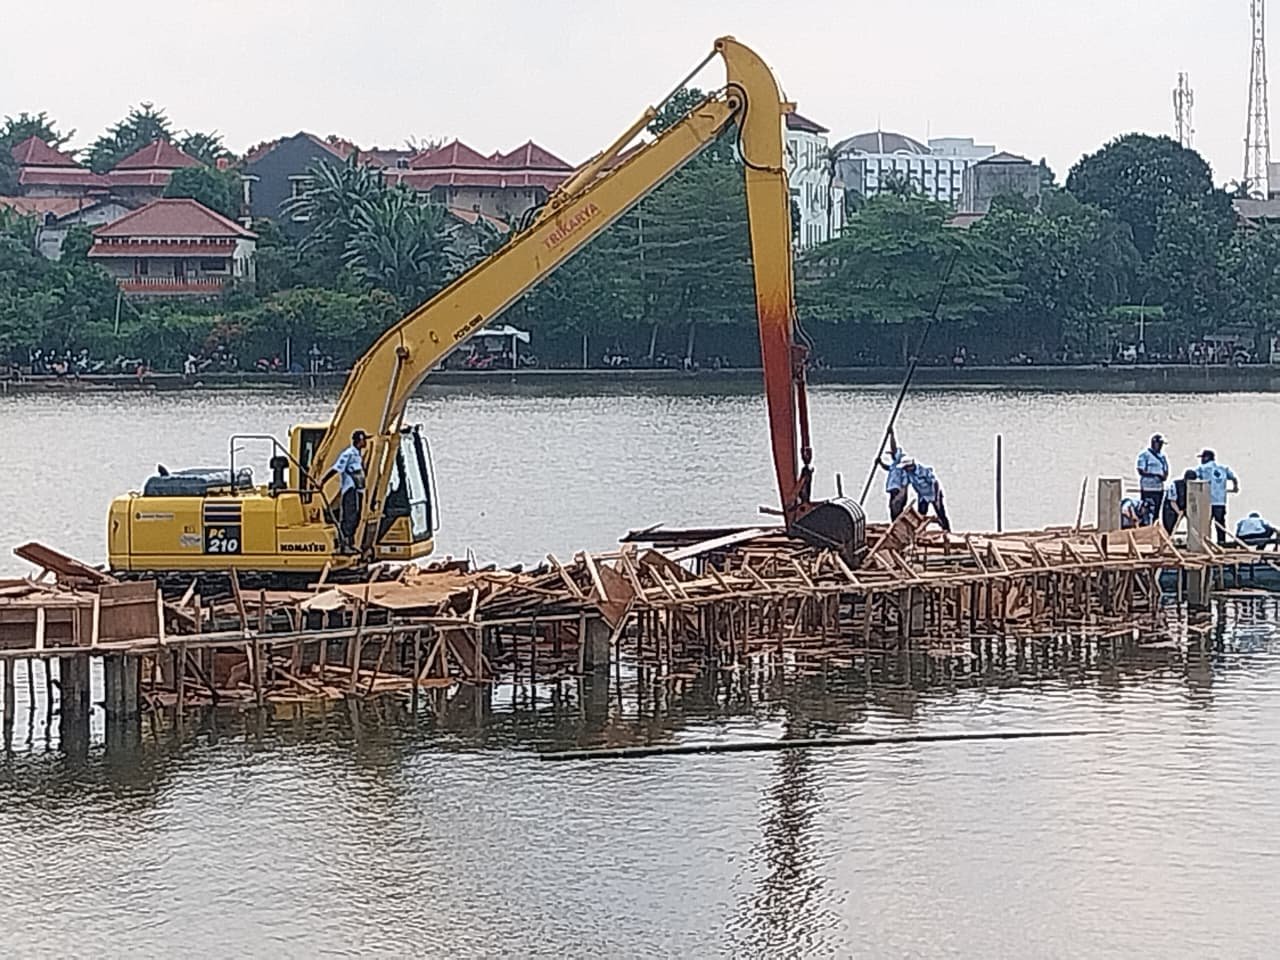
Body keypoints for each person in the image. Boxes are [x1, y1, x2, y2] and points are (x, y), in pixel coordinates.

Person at [321, 430, 368, 553]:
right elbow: (336, 469)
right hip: (350, 490)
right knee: (349, 517)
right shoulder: (348, 454)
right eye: (364, 440)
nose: (365, 442)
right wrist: (323, 481)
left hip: (358, 490)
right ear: (359, 440)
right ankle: (344, 544)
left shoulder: (358, 455)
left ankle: (351, 543)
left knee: (356, 517)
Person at [1196, 449, 1239, 545]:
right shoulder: (1223, 468)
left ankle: (1205, 542)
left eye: (1202, 458)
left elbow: (1192, 477)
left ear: (1207, 458)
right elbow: (1234, 478)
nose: (1201, 460)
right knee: (1220, 523)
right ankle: (1221, 542)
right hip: (1220, 501)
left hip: (1207, 501)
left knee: (1205, 524)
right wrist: (1235, 487)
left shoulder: (1202, 468)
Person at [901, 457, 951, 532]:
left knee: (941, 514)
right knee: (921, 515)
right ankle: (921, 532)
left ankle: (947, 530)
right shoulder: (908, 474)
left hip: (934, 494)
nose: (905, 469)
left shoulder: (923, 470)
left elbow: (935, 483)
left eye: (905, 468)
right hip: (923, 496)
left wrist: (937, 498)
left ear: (911, 466)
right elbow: (904, 483)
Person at [876, 430, 909, 520]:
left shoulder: (900, 463)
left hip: (897, 491)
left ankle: (896, 524)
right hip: (893, 490)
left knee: (895, 508)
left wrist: (892, 435)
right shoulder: (894, 465)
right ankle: (894, 523)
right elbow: (888, 468)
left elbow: (893, 447)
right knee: (892, 508)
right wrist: (880, 463)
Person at [1136, 434, 1169, 521]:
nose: (1161, 446)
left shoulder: (1162, 456)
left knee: (1157, 510)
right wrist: (1155, 475)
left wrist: (1164, 476)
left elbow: (1165, 469)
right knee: (1146, 509)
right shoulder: (1144, 455)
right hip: (1147, 487)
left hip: (1159, 488)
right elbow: (1141, 470)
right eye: (1159, 444)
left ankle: (1155, 524)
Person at [1162, 469, 1199, 533]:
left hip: (1184, 506)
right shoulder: (1174, 485)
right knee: (1169, 528)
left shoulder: (1194, 486)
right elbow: (1172, 502)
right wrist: (1179, 512)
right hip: (1171, 508)